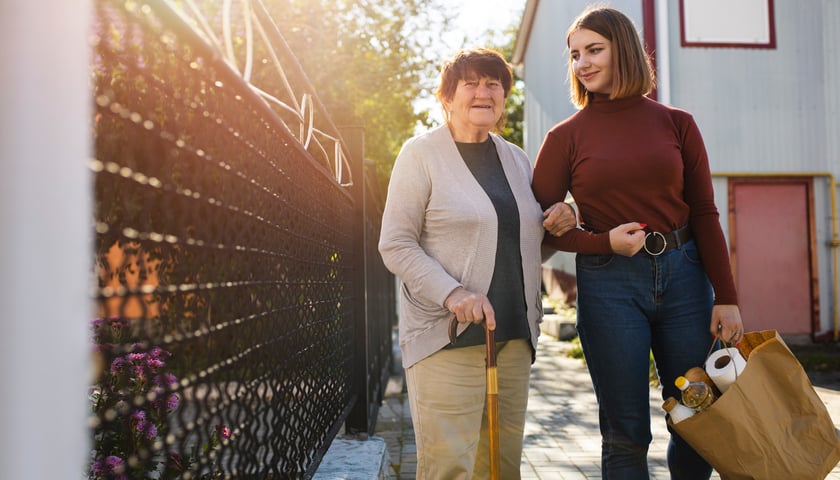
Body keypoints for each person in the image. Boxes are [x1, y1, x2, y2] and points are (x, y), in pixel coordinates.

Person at [533, 7, 745, 479]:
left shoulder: (677, 123)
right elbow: (538, 230)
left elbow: (706, 213)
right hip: (610, 287)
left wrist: (727, 297)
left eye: (594, 50)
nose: (582, 63)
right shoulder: (564, 137)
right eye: (574, 55)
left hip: (686, 279)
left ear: (623, 49)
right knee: (626, 432)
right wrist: (598, 241)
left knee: (696, 418)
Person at [378, 47, 575, 479]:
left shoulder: (516, 158)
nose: (484, 92)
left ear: (504, 97)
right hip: (447, 338)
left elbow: (525, 245)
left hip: (513, 339)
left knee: (502, 468)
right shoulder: (420, 155)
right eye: (471, 83)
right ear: (447, 97)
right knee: (450, 468)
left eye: (494, 84)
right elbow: (395, 243)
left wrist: (563, 219)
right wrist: (453, 293)